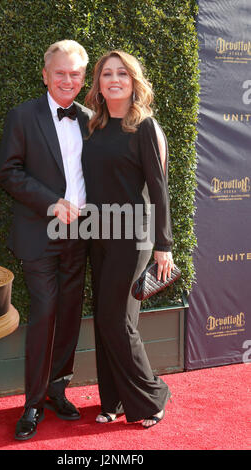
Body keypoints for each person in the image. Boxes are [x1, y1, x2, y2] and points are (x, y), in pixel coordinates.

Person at [0, 40, 93, 440]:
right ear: (45, 75)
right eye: (60, 73)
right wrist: (51, 203)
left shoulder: (93, 119)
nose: (67, 80)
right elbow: (9, 172)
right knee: (46, 312)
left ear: (83, 78)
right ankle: (33, 403)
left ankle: (58, 389)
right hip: (40, 232)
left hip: (83, 234)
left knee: (70, 312)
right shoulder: (22, 116)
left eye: (75, 73)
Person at [82, 50, 174, 428]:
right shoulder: (94, 127)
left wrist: (163, 245)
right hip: (97, 234)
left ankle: (152, 396)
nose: (114, 79)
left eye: (122, 73)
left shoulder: (145, 126)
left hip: (132, 236)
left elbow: (159, 188)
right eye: (107, 74)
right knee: (106, 322)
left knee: (117, 320)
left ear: (134, 81)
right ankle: (113, 399)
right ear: (99, 84)